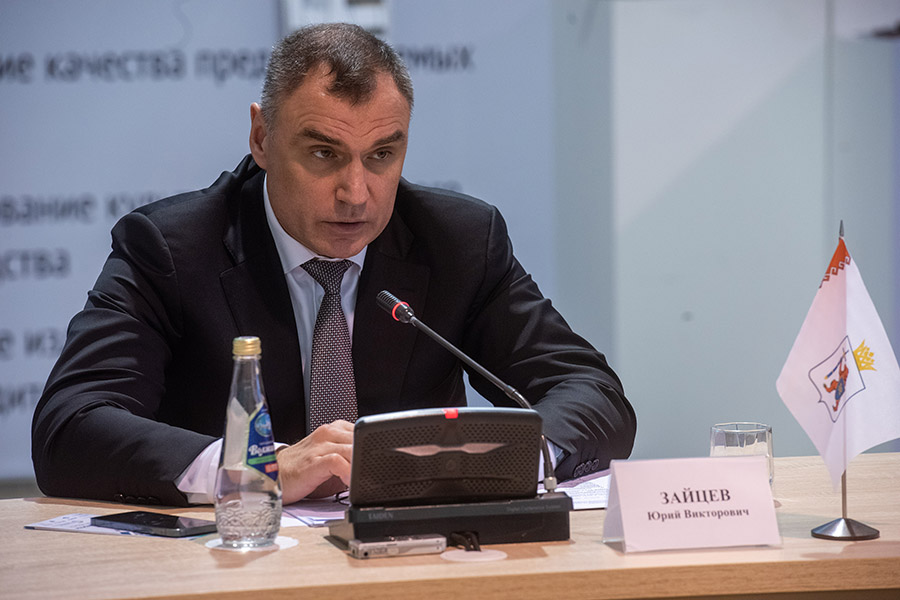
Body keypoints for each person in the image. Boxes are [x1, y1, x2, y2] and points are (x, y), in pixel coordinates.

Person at [31, 23, 635, 507]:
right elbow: (70, 427)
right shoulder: (172, 248)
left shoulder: (457, 242)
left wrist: (509, 458)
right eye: (324, 153)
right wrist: (256, 468)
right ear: (261, 138)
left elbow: (592, 393)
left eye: (382, 154)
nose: (356, 193)